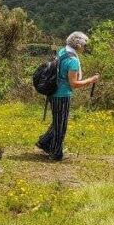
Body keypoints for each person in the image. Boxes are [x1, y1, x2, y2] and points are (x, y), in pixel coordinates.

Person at [35, 32, 99, 161]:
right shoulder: (72, 61)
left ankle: (44, 142)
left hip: (53, 92)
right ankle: (56, 153)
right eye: (84, 45)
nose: (85, 48)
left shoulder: (63, 51)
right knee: (61, 125)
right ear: (78, 45)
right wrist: (91, 80)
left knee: (58, 122)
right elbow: (74, 84)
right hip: (62, 94)